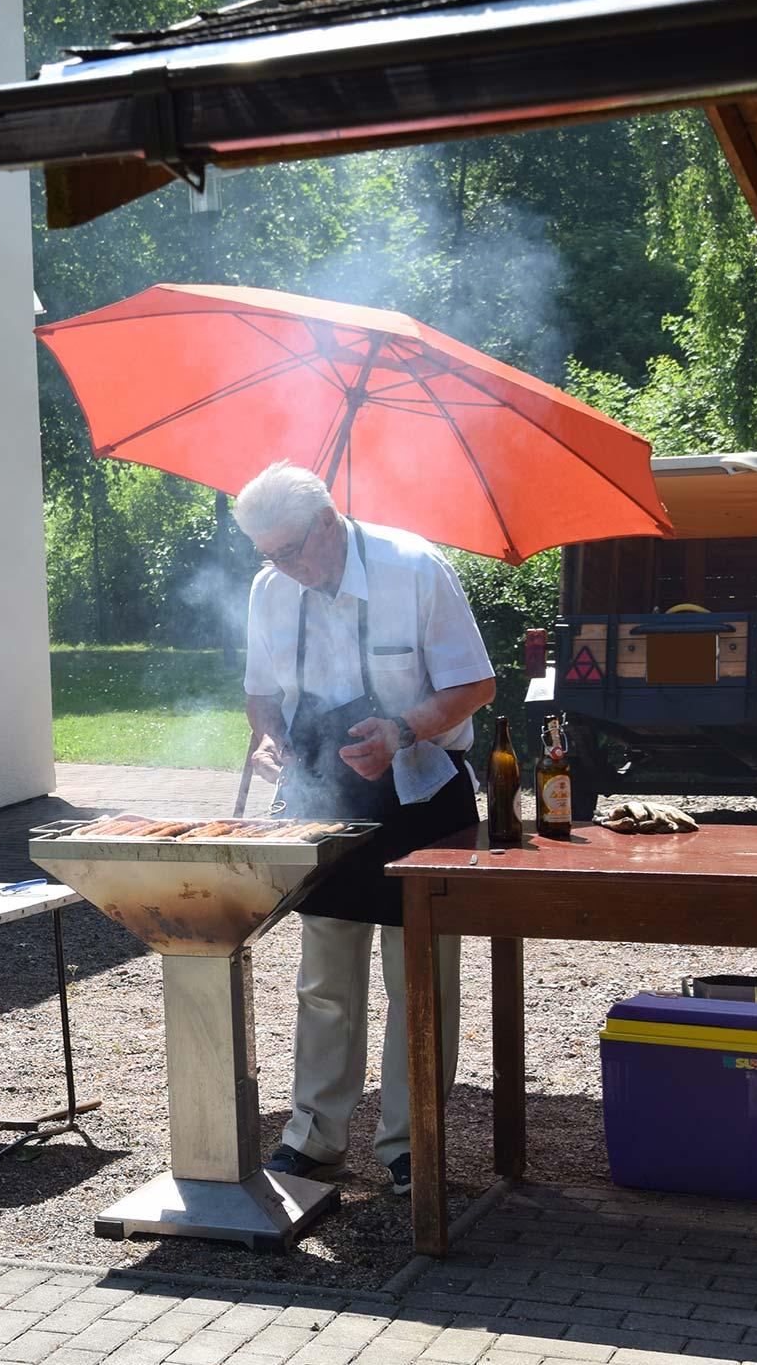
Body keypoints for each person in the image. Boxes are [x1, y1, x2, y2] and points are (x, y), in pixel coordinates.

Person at [235, 461, 495, 1196]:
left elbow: (476, 683)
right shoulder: (270, 588)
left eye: (291, 550)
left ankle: (412, 1142)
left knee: (420, 977)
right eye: (269, 555)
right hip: (324, 800)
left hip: (423, 794)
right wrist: (267, 739)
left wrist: (403, 729)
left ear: (327, 523)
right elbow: (261, 696)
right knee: (325, 978)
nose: (284, 568)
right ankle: (315, 1138)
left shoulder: (414, 568)